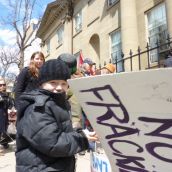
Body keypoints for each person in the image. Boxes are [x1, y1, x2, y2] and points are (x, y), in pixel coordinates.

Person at [16, 59, 98, 172]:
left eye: (64, 83)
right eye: (53, 82)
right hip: (39, 167)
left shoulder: (58, 103)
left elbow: (61, 131)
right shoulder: (38, 107)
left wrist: (82, 133)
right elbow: (53, 143)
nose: (59, 87)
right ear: (41, 84)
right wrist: (82, 139)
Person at [0, 77, 14, 153]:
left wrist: (11, 105)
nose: (2, 86)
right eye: (0, 85)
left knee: (4, 130)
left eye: (3, 85)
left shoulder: (7, 95)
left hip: (4, 116)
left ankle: (4, 143)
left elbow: (10, 105)